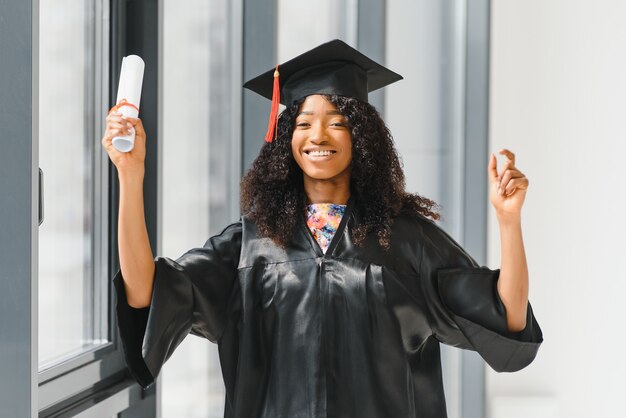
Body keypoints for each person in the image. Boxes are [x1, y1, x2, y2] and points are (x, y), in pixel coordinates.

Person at [101, 39, 542, 418]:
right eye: (304, 123)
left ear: (362, 137)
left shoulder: (404, 240)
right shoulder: (250, 245)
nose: (319, 135)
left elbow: (507, 316)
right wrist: (130, 175)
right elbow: (146, 292)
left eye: (336, 122)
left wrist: (508, 222)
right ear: (286, 138)